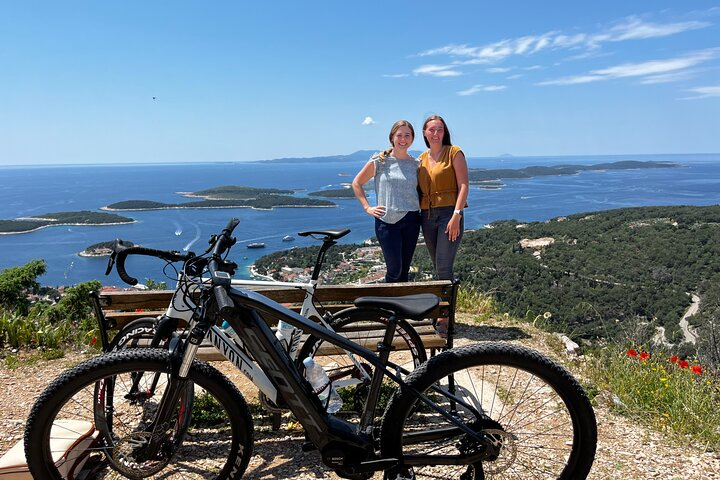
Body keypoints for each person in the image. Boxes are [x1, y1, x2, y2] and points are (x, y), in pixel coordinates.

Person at [417, 115, 469, 336]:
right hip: (427, 216)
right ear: (425, 133)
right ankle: (442, 312)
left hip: (449, 214)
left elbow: (464, 185)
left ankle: (444, 320)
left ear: (444, 131)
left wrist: (457, 214)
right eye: (431, 130)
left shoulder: (454, 152)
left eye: (439, 129)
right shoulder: (421, 158)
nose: (435, 133)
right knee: (437, 267)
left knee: (444, 267)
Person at [352, 120, 421, 283]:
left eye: (407, 135)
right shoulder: (380, 161)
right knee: (394, 269)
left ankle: (402, 307)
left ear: (412, 138)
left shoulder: (416, 164)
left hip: (412, 220)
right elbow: (357, 183)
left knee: (404, 270)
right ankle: (387, 305)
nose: (403, 139)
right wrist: (367, 207)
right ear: (392, 137)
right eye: (399, 135)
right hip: (387, 221)